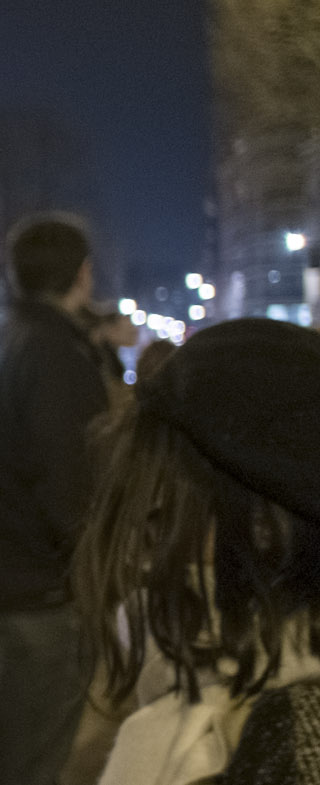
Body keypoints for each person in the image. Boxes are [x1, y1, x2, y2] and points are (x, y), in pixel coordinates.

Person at [76, 319, 320, 785]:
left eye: (163, 507)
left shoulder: (279, 739)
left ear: (266, 527)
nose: (141, 543)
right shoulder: (231, 697)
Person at [0, 213, 111, 785]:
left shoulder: (3, 338)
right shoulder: (55, 354)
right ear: (82, 275)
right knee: (33, 760)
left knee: (22, 744)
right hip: (40, 588)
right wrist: (101, 573)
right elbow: (67, 484)